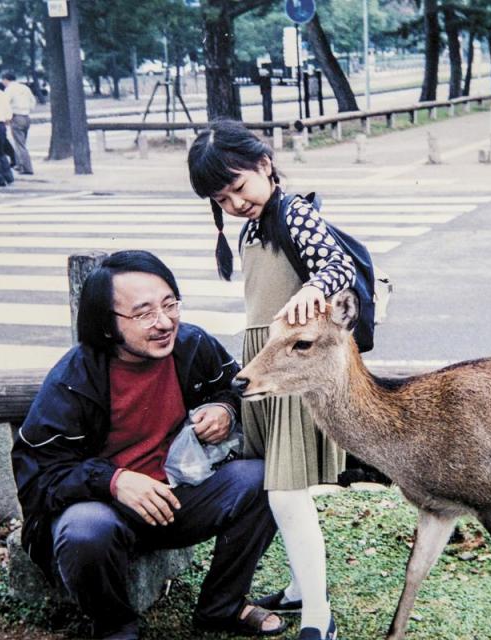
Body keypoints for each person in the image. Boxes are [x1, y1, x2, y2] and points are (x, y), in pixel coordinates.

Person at [12, 250, 286, 640]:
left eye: (170, 304)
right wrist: (114, 480)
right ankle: (114, 627)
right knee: (85, 528)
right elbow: (37, 475)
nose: (164, 322)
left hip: (177, 500)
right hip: (107, 513)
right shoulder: (73, 379)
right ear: (108, 325)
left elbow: (235, 386)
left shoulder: (192, 346)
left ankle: (221, 608)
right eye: (143, 313)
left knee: (262, 478)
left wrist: (225, 408)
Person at [188, 120, 347, 640]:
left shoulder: (294, 212)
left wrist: (314, 290)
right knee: (277, 486)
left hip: (291, 371)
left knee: (284, 493)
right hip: (264, 364)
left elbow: (337, 265)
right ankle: (303, 590)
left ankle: (319, 616)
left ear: (264, 164)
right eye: (221, 196)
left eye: (238, 186)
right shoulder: (253, 225)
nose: (234, 202)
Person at [1, 71, 35, 175]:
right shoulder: (25, 88)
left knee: (20, 144)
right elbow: (32, 102)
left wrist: (6, 117)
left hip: (16, 116)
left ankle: (26, 168)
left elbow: (5, 103)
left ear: (6, 80)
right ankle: (20, 164)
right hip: (26, 116)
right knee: (22, 142)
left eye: (3, 81)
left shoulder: (9, 89)